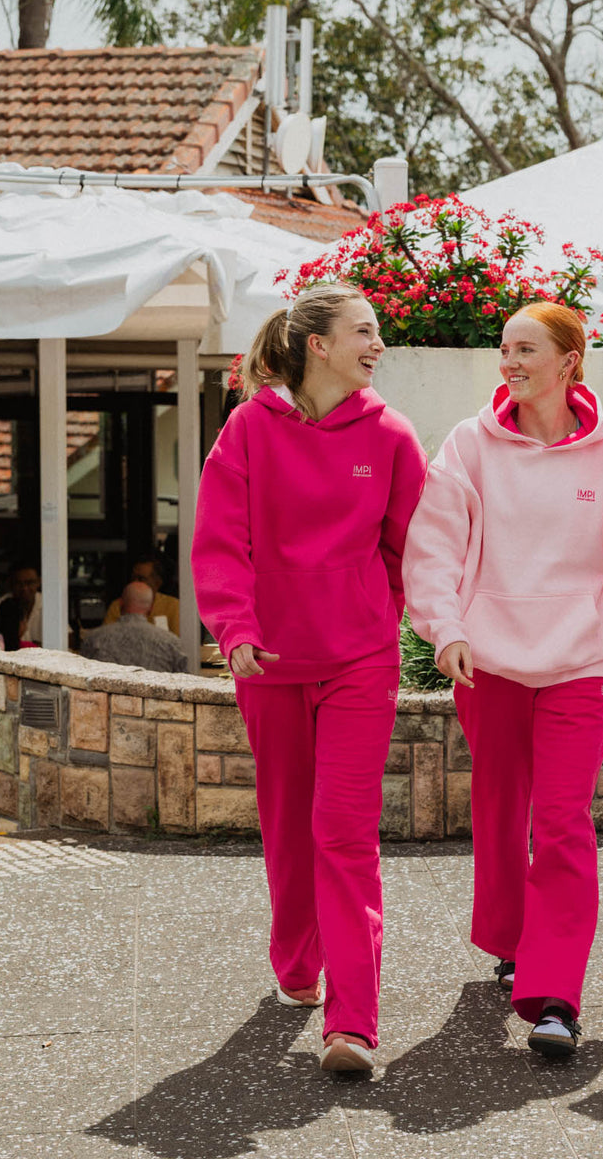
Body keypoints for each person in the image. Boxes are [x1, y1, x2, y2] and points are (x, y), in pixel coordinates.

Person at [402, 301, 603, 1060]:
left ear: (569, 361)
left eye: (526, 349)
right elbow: (434, 546)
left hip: (578, 664)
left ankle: (555, 996)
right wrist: (444, 628)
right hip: (489, 662)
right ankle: (512, 940)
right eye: (504, 349)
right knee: (500, 809)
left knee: (566, 824)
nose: (509, 363)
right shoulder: (469, 445)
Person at [191, 283, 426, 1074]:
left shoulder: (392, 436)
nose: (378, 345)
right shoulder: (249, 431)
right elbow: (221, 543)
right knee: (288, 820)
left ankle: (352, 1023)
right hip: (270, 664)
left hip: (359, 662)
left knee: (344, 833)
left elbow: (407, 551)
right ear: (317, 344)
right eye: (365, 331)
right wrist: (237, 630)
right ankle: (296, 962)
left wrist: (377, 617)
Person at [81, 581, 188, 672]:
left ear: (121, 604)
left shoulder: (94, 639)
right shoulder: (171, 643)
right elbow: (185, 682)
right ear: (151, 608)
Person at [104, 555, 181, 636]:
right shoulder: (118, 605)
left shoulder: (173, 606)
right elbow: (106, 637)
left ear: (157, 583)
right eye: (133, 578)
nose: (135, 582)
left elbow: (179, 641)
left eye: (141, 579)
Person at [0, 563, 42, 651]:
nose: (24, 588)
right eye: (19, 583)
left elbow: (68, 637)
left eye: (29, 583)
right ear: (10, 584)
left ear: (39, 582)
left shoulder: (50, 603)